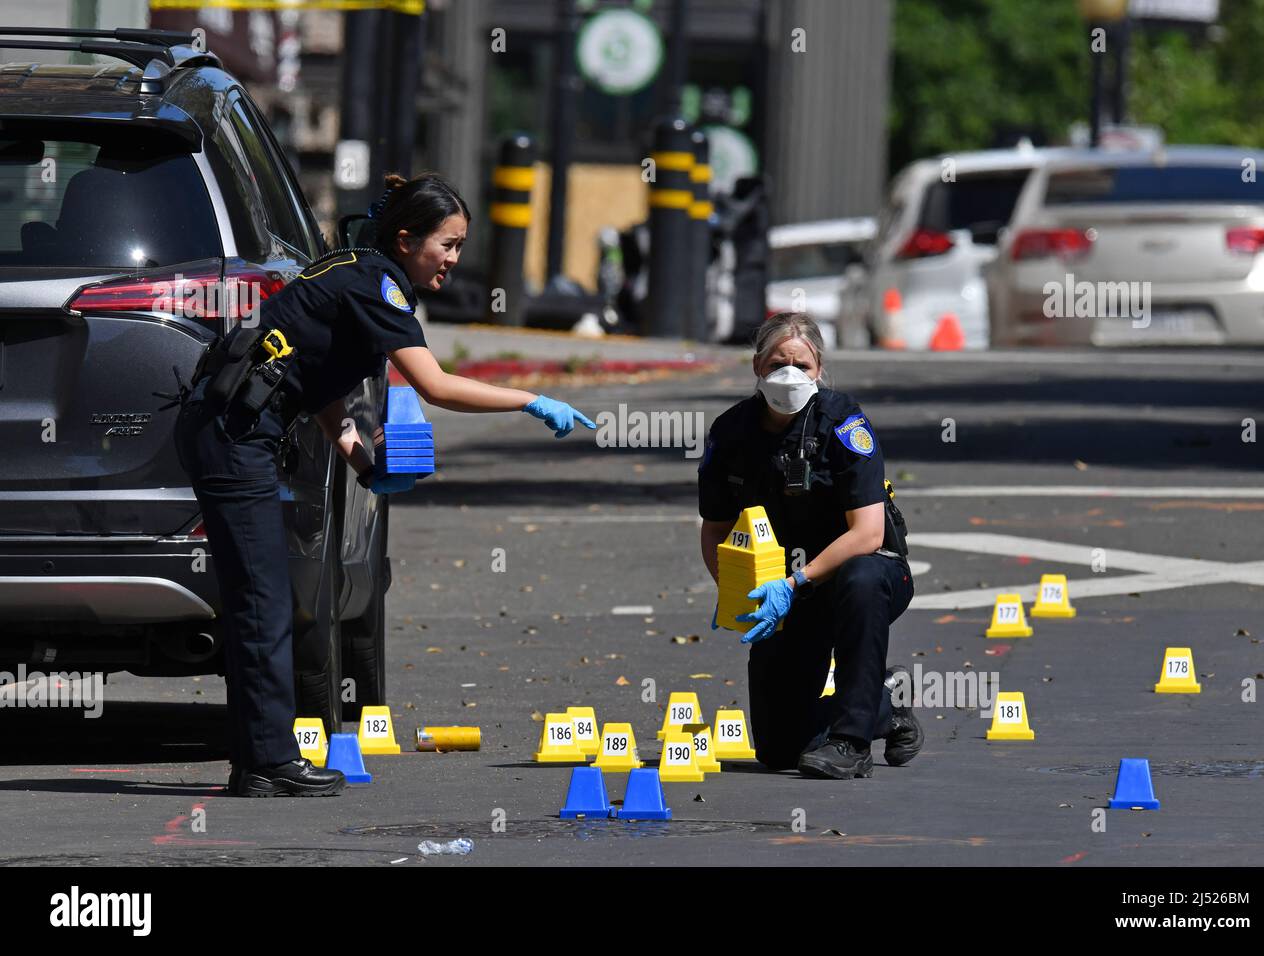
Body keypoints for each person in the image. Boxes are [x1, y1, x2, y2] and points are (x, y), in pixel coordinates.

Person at [174, 172, 595, 796]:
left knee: (264, 597)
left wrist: (364, 467)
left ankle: (260, 760)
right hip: (234, 437)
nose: (454, 260)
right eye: (446, 245)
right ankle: (266, 763)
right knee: (262, 600)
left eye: (458, 246)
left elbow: (321, 391)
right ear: (406, 239)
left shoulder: (355, 271)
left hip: (233, 432)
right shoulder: (378, 286)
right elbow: (437, 386)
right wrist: (532, 401)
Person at [697, 312, 921, 779]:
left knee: (860, 578)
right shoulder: (731, 432)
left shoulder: (843, 424)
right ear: (758, 365)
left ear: (819, 369)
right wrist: (736, 592)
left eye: (802, 365)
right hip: (786, 594)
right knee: (779, 750)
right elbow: (715, 527)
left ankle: (851, 743)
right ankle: (884, 705)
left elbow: (868, 534)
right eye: (779, 362)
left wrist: (795, 581)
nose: (790, 374)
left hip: (859, 577)